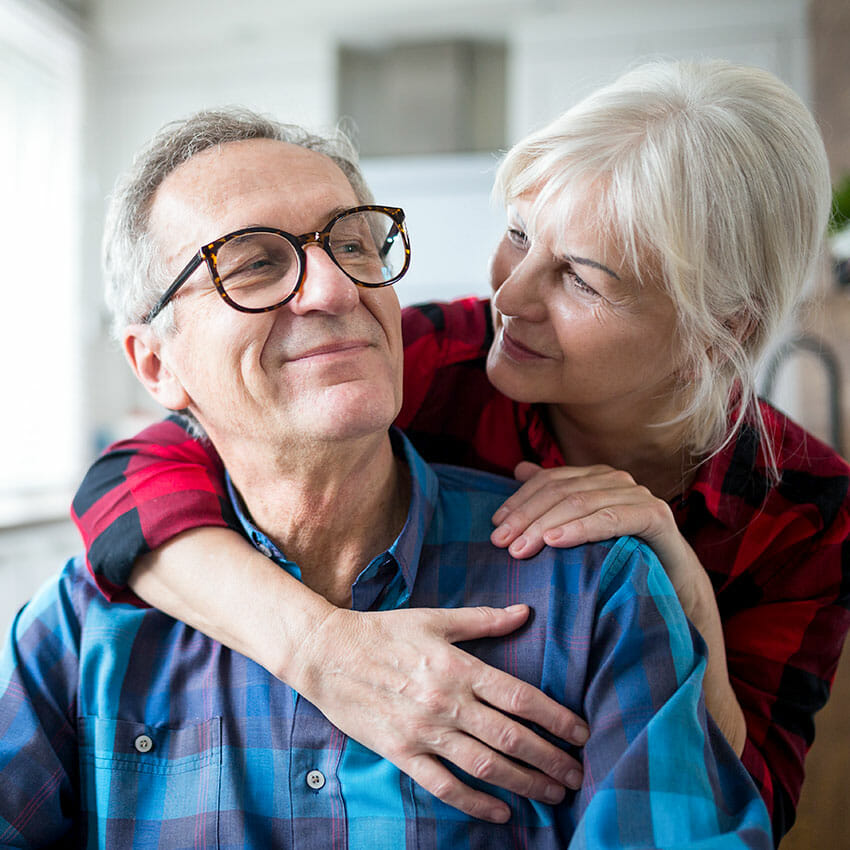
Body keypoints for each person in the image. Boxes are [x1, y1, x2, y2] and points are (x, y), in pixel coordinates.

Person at [70, 59, 850, 843]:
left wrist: (688, 598)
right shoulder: (436, 359)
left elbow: (752, 798)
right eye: (518, 235)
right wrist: (318, 649)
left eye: (580, 278)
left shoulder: (806, 508)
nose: (509, 296)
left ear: (722, 329)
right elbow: (127, 480)